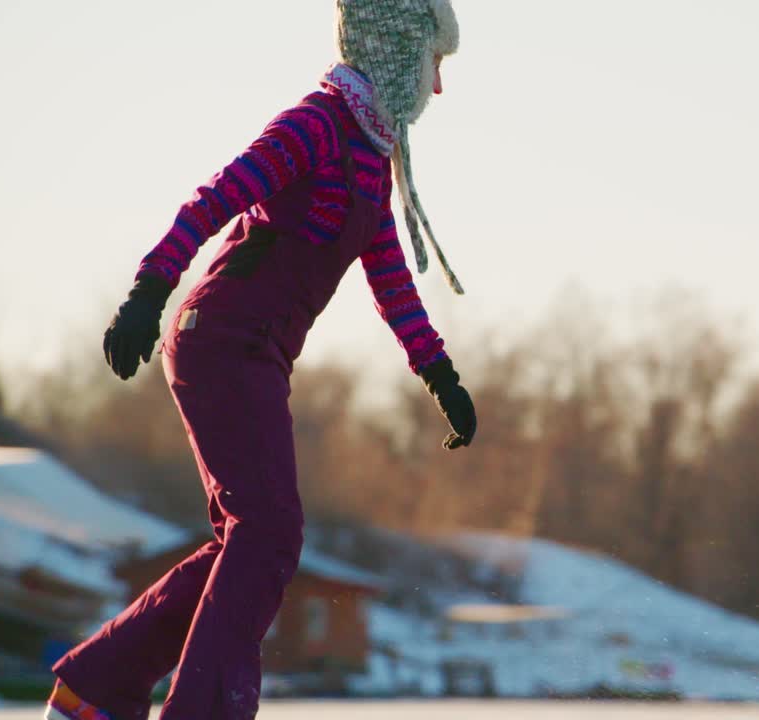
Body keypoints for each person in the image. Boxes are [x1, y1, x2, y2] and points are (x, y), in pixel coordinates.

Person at [45, 1, 474, 718]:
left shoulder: (369, 157)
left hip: (254, 353)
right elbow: (219, 196)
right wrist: (148, 290)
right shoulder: (318, 124)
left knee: (243, 542)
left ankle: (93, 692)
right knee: (269, 531)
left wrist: (440, 374)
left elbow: (391, 279)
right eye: (436, 65)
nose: (437, 89)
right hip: (222, 339)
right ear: (400, 53)